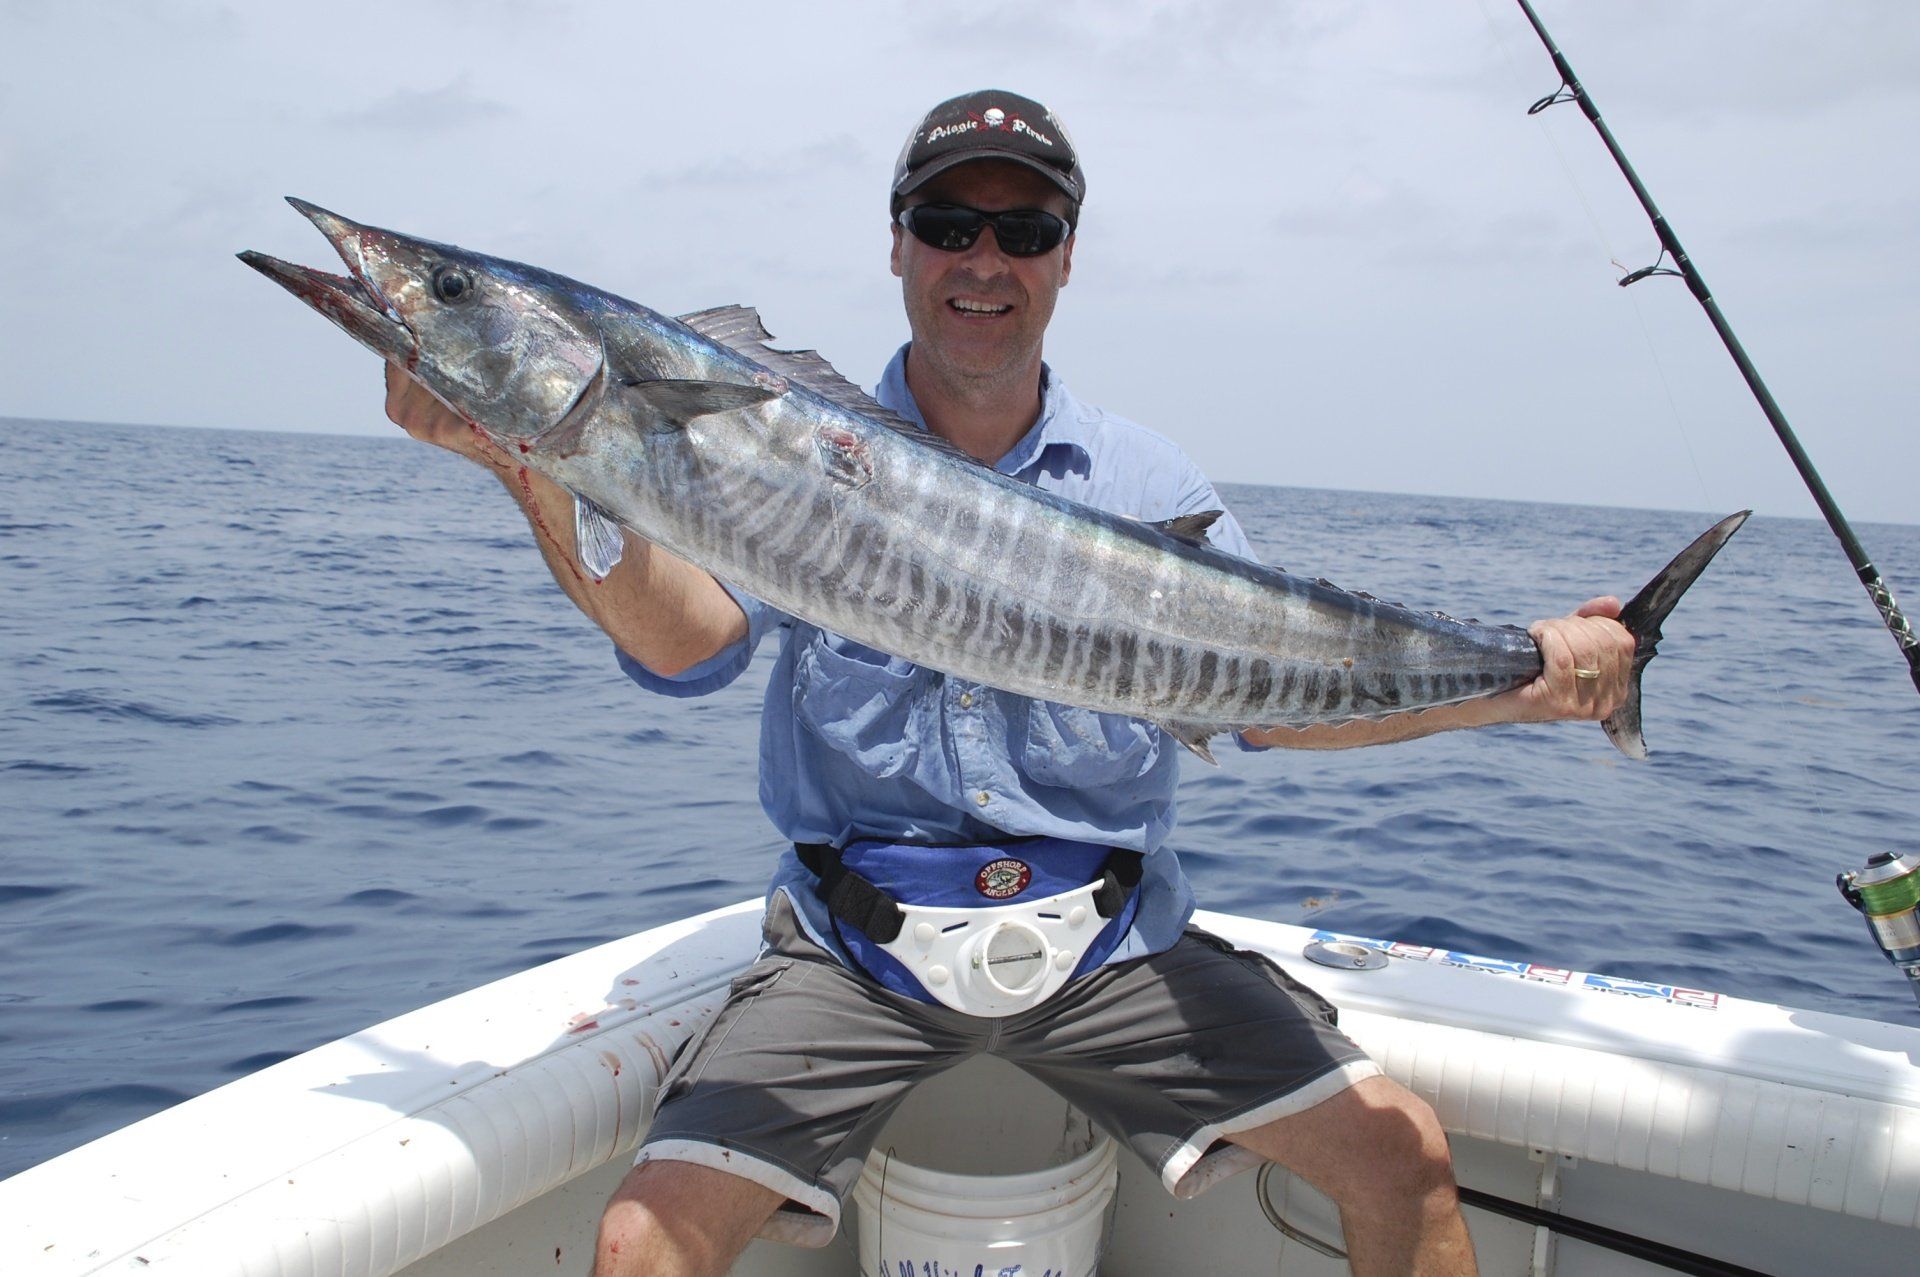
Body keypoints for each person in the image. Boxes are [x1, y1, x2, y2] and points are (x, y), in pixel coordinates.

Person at [384, 89, 1634, 1277]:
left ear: (1066, 258)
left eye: (1023, 231)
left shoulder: (1144, 481)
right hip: (852, 947)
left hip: (1112, 946)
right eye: (947, 225)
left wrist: (1523, 682)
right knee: (642, 1241)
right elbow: (688, 648)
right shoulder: (786, 438)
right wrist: (527, 462)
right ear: (899, 246)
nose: (983, 260)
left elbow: (1267, 703)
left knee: (1402, 1153)